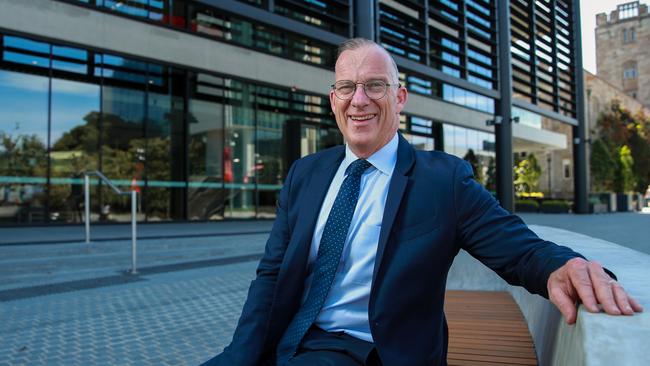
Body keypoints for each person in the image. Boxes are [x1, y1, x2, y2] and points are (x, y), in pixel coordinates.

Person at [202, 38, 643, 366]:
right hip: (288, 340)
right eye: (347, 87)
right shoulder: (306, 174)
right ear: (333, 100)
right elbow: (272, 275)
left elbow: (520, 249)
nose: (359, 100)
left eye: (375, 86)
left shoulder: (442, 180)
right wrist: (240, 355)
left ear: (399, 98)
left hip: (370, 351)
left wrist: (561, 266)